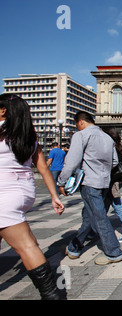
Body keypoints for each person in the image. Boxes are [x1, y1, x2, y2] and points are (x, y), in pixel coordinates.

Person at [0, 94, 65, 300]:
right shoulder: (29, 136)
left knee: (26, 246)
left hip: (4, 193)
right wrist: (54, 196)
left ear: (3, 111)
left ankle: (51, 296)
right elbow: (43, 169)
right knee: (23, 240)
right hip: (24, 192)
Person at [58, 111, 122, 266]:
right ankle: (74, 248)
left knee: (99, 217)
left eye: (76, 125)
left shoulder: (81, 135)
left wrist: (62, 181)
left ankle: (114, 252)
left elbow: (71, 161)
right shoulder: (107, 137)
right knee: (89, 216)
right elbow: (114, 161)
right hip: (104, 182)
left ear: (80, 122)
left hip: (89, 182)